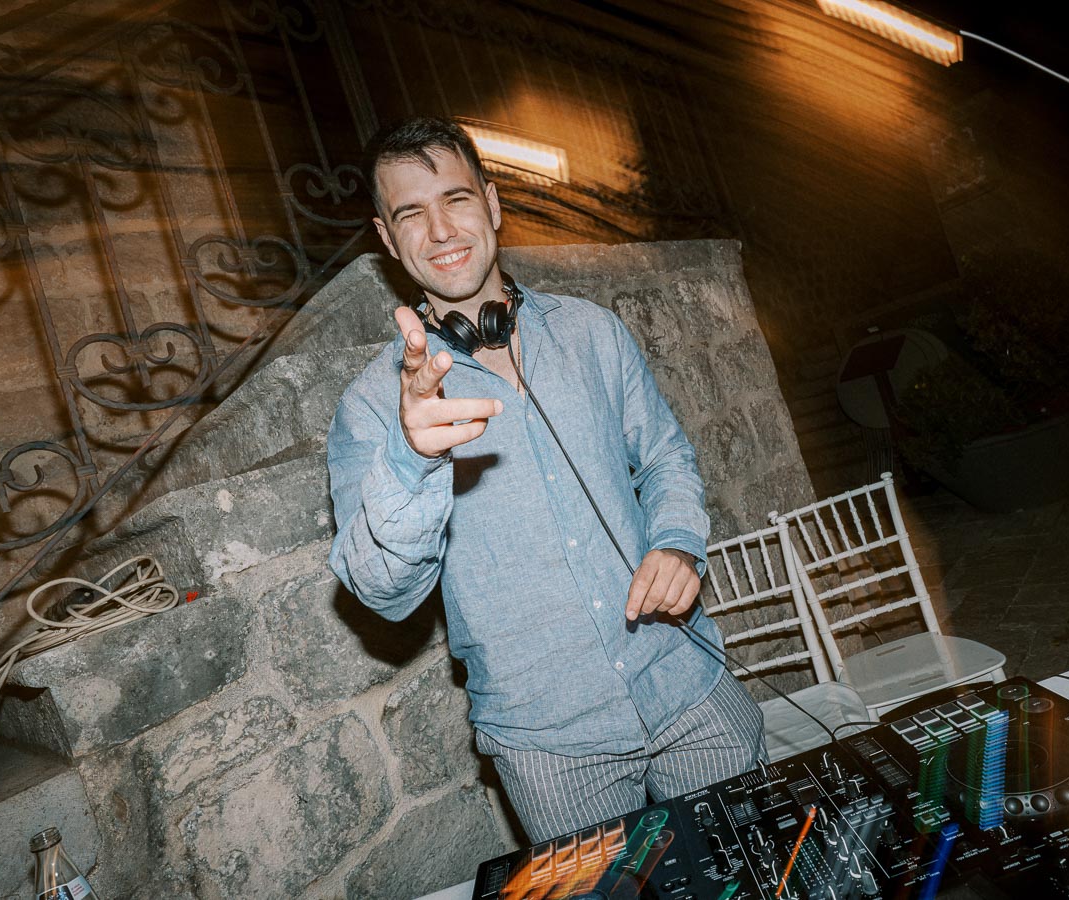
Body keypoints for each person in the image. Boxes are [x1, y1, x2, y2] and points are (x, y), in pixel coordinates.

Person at [326, 117, 764, 842]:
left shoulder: (593, 332)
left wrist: (680, 544)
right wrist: (413, 459)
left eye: (456, 199)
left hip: (691, 689)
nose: (440, 230)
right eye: (411, 214)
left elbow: (664, 457)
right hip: (553, 750)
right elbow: (381, 591)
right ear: (386, 236)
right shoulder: (372, 406)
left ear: (492, 205)